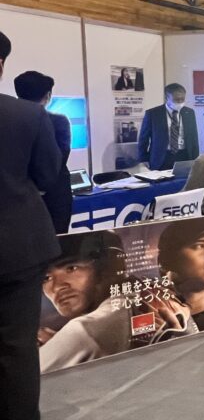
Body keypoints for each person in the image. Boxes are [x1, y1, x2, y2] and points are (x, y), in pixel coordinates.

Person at [0, 31, 62, 419]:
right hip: (17, 248)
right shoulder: (28, 115)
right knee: (17, 346)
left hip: (17, 250)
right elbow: (46, 176)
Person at [39, 232, 195, 373]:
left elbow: (27, 376)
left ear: (109, 266)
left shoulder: (84, 331)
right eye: (46, 278)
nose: (57, 286)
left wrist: (58, 347)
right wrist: (60, 345)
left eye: (71, 268)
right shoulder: (155, 293)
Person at [14, 70, 72, 233]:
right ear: (48, 96)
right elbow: (60, 158)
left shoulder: (9, 121)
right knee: (57, 241)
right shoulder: (59, 121)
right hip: (55, 195)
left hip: (19, 193)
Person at [138, 83, 200, 170]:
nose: (180, 102)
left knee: (183, 178)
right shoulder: (153, 114)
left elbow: (194, 137)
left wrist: (196, 158)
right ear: (166, 98)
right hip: (161, 157)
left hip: (184, 155)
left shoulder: (189, 112)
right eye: (176, 99)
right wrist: (143, 158)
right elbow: (143, 138)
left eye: (182, 99)